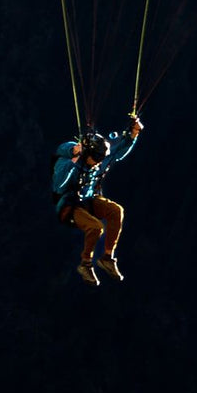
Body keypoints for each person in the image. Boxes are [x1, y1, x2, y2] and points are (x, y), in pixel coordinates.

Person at [51, 115, 144, 286]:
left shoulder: (96, 158)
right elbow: (58, 186)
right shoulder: (67, 162)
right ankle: (85, 264)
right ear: (87, 154)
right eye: (97, 159)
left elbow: (116, 153)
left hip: (89, 200)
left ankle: (107, 257)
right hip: (69, 205)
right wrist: (73, 163)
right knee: (96, 227)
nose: (98, 163)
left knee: (116, 211)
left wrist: (133, 135)